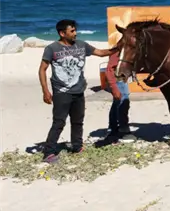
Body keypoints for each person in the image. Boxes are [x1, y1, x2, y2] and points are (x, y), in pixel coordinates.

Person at [38, 19, 116, 163]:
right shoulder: (52, 49)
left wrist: (120, 47)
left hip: (79, 91)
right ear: (62, 33)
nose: (75, 33)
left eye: (75, 30)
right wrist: (45, 91)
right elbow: (42, 70)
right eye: (72, 31)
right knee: (59, 122)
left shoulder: (81, 45)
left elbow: (100, 52)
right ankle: (48, 152)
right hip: (61, 92)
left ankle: (77, 147)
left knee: (78, 121)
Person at [104, 49, 135, 143]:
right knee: (123, 103)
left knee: (117, 103)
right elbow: (109, 70)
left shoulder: (122, 50)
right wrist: (113, 87)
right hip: (117, 80)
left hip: (121, 80)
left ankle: (112, 129)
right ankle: (123, 130)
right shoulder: (119, 51)